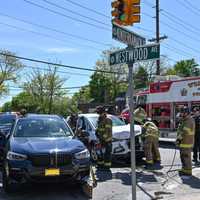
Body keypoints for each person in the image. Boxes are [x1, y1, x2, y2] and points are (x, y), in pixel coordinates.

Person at [176, 106, 195, 176]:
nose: (181, 114)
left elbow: (184, 132)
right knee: (183, 156)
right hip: (184, 142)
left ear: (186, 113)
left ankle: (188, 171)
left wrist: (178, 139)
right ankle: (184, 169)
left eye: (182, 112)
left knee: (186, 157)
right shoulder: (185, 120)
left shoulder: (189, 120)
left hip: (186, 142)